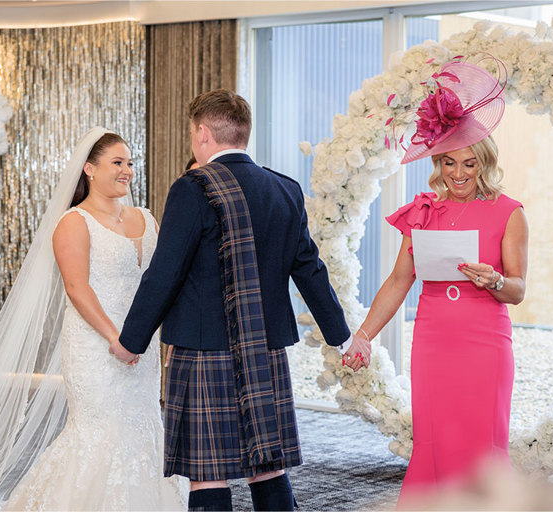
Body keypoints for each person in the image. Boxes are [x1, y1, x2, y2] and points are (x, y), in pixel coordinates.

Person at [109, 89, 370, 511]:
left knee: (208, 471)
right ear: (243, 134)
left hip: (203, 348)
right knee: (268, 465)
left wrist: (131, 339)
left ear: (202, 133)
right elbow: (310, 271)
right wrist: (343, 337)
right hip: (264, 348)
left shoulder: (192, 188)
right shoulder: (284, 189)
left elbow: (165, 274)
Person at [0, 128, 187, 511]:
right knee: (99, 432)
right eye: (117, 163)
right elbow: (77, 288)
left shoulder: (147, 218)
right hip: (97, 346)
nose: (127, 171)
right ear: (89, 168)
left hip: (144, 346)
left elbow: (162, 283)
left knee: (143, 422)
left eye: (130, 163)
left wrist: (156, 337)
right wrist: (116, 339)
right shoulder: (74, 222)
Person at [351, 58, 529, 507]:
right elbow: (397, 282)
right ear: (438, 163)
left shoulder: (509, 212)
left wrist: (493, 280)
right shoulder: (424, 212)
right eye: (449, 162)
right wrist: (364, 337)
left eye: (469, 163)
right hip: (433, 343)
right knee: (433, 441)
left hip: (485, 344)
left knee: (483, 444)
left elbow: (519, 290)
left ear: (484, 162)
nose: (459, 173)